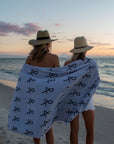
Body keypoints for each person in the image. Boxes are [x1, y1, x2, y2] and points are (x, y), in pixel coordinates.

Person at [26, 30, 59, 144]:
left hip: (34, 96)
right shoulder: (54, 58)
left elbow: (25, 78)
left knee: (36, 127)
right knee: (48, 128)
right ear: (48, 43)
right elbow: (57, 80)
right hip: (48, 97)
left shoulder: (30, 58)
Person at [64, 36, 95, 144]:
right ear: (86, 50)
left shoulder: (67, 64)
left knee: (74, 130)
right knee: (90, 130)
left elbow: (65, 84)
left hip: (72, 99)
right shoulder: (91, 63)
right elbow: (94, 82)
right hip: (86, 98)